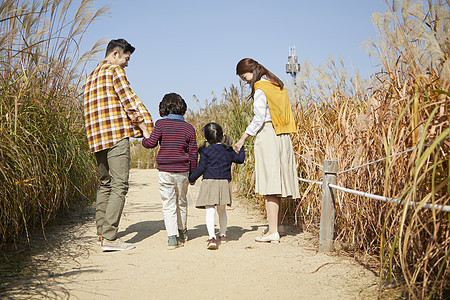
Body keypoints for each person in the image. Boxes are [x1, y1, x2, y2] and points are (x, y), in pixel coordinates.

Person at [84, 39, 153, 251]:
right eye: (126, 58)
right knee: (119, 185)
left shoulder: (90, 77)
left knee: (105, 184)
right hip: (115, 136)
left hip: (96, 139)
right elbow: (128, 100)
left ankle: (101, 234)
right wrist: (144, 127)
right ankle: (110, 238)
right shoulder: (114, 71)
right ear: (115, 54)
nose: (126, 63)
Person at [234, 58, 300, 243]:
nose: (245, 81)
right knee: (276, 183)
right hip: (283, 135)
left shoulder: (261, 88)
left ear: (251, 71)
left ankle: (273, 232)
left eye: (244, 76)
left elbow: (259, 118)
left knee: (270, 185)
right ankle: (277, 226)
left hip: (269, 134)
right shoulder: (276, 84)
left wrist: (243, 138)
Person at [142, 93, 197, 250]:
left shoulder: (160, 124)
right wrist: (192, 174)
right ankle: (182, 231)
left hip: (165, 171)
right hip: (183, 172)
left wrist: (145, 134)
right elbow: (193, 153)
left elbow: (151, 143)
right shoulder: (189, 128)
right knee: (181, 202)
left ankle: (172, 238)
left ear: (164, 107)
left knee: (168, 204)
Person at [189, 123, 245, 250]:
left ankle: (212, 238)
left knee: (210, 211)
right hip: (224, 183)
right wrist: (241, 148)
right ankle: (223, 235)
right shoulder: (228, 149)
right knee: (222, 210)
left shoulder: (206, 151)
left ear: (206, 138)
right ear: (222, 136)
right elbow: (240, 159)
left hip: (210, 182)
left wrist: (191, 179)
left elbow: (201, 168)